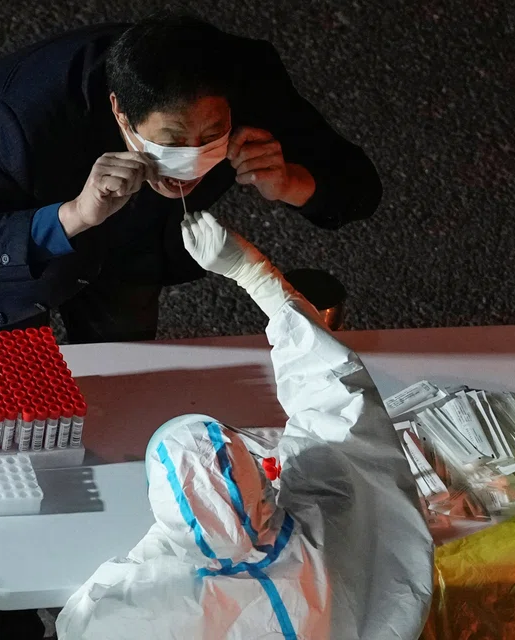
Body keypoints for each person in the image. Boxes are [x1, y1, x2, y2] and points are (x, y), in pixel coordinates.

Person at [0, 14, 382, 342]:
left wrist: (292, 182)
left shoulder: (252, 83)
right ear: (120, 115)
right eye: (172, 139)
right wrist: (75, 215)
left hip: (136, 239)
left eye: (212, 134)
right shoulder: (29, 119)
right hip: (13, 232)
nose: (191, 160)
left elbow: (359, 187)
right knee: (7, 415)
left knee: (127, 369)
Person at [55, 212, 433, 639]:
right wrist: (254, 274)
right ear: (257, 472)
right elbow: (341, 405)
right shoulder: (331, 528)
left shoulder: (142, 605)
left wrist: (160, 546)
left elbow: (77, 623)